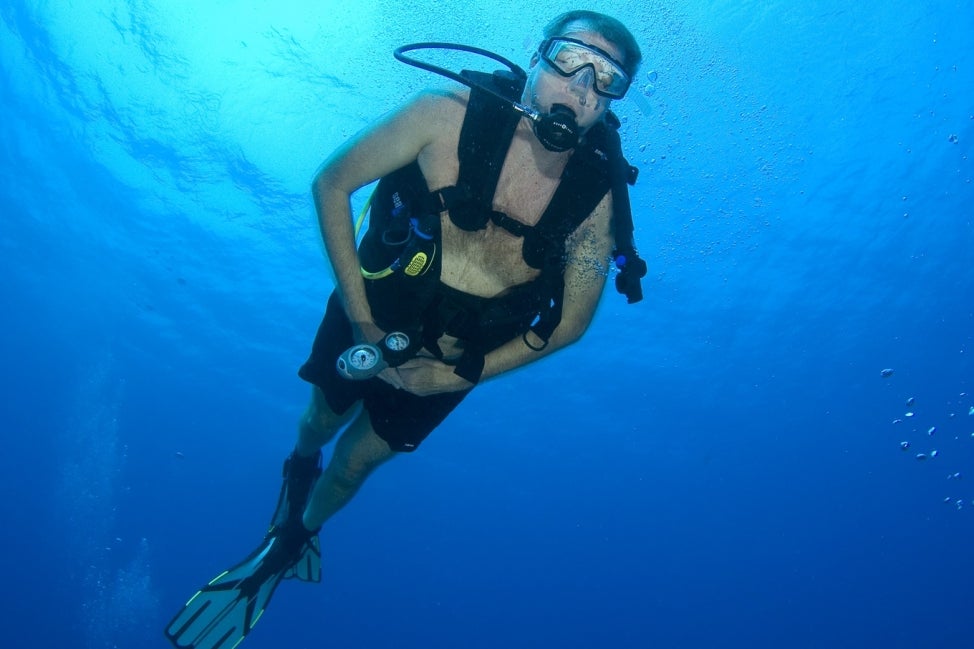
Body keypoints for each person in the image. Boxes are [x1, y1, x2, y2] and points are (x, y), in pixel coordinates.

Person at [166, 10, 644, 649]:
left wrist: (454, 373)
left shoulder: (597, 201)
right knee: (322, 418)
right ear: (536, 58)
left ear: (612, 101)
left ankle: (292, 539)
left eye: (605, 78)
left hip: (457, 355)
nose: (582, 86)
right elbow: (332, 183)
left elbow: (570, 326)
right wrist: (363, 321)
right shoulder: (442, 112)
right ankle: (297, 466)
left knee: (357, 465)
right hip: (374, 308)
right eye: (568, 59)